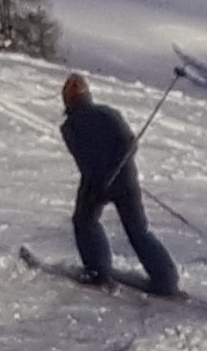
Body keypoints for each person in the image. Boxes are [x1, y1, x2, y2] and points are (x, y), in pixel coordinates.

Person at [60, 72, 180, 295]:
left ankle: (98, 271)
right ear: (88, 95)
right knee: (138, 231)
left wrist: (103, 177)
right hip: (124, 182)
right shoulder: (108, 113)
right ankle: (166, 281)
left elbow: (84, 159)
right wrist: (117, 171)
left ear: (67, 100)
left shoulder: (69, 127)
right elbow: (129, 144)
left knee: (85, 222)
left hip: (97, 184)